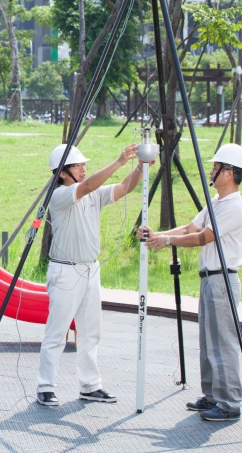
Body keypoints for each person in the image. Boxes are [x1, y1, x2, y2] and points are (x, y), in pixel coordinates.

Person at [37, 142, 149, 407]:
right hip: (65, 270)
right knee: (58, 331)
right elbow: (85, 187)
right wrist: (120, 160)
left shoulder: (93, 193)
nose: (83, 169)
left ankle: (90, 385)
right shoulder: (60, 195)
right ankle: (45, 386)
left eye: (84, 164)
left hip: (90, 268)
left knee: (90, 331)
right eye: (77, 165)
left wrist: (141, 167)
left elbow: (123, 188)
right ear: (63, 173)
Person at [138, 143, 242, 422]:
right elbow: (189, 228)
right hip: (210, 279)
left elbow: (202, 238)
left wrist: (167, 240)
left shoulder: (235, 206)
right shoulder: (216, 203)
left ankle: (230, 402)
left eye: (216, 167)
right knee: (209, 342)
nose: (212, 170)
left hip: (223, 279)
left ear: (229, 173)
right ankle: (212, 395)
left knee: (224, 343)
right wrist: (157, 234)